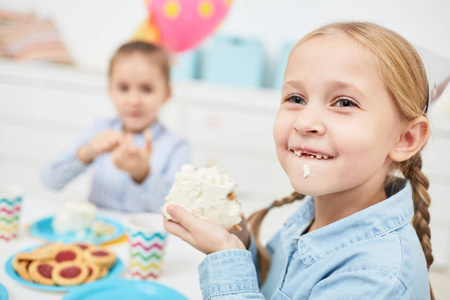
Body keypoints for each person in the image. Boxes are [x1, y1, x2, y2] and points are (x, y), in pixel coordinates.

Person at [163, 21, 434, 299]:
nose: (305, 123)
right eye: (296, 98)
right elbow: (273, 288)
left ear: (406, 138)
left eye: (344, 103)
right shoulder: (314, 215)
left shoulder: (377, 279)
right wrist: (238, 241)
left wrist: (225, 258)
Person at [41, 41, 190, 213]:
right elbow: (49, 181)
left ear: (166, 94)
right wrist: (87, 152)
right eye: (123, 88)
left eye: (147, 89)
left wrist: (143, 174)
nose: (134, 100)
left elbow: (177, 212)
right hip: (97, 235)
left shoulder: (177, 145)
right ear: (110, 90)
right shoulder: (98, 130)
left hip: (142, 239)